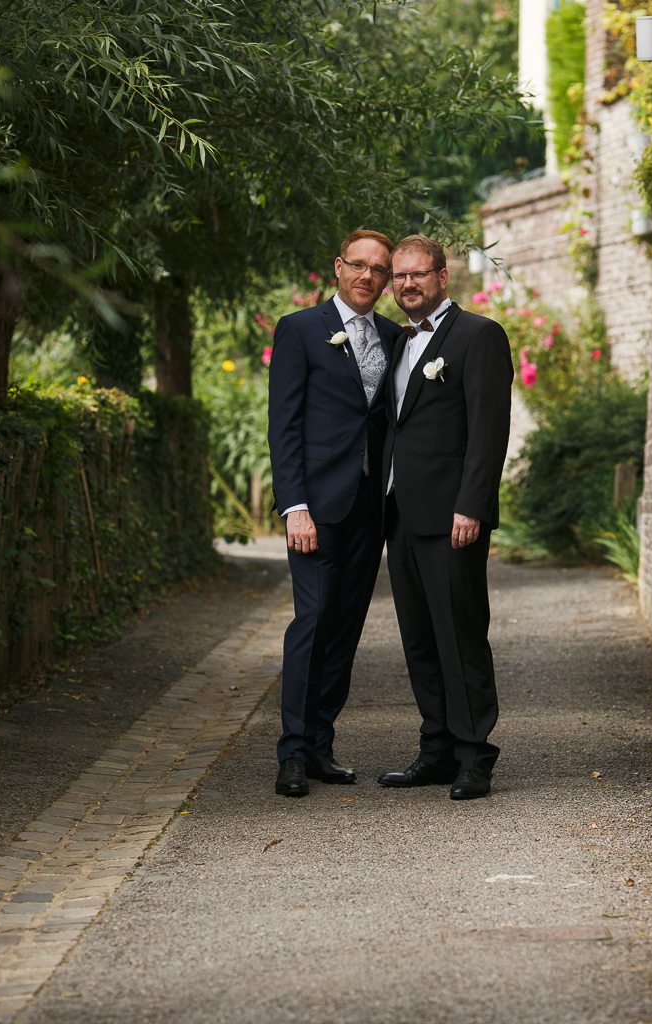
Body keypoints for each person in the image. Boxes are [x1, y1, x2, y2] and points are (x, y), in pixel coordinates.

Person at [268, 229, 403, 796]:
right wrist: (294, 505)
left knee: (345, 629)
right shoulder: (300, 329)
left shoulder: (397, 337)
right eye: (359, 265)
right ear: (339, 268)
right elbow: (285, 425)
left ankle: (321, 746)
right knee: (312, 622)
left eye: (380, 269)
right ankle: (292, 754)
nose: (369, 276)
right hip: (317, 508)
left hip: (371, 509)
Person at [378, 235, 513, 800]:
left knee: (460, 636)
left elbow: (488, 430)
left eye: (418, 275)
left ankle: (474, 755)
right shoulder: (397, 343)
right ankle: (434, 749)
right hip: (400, 515)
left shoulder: (479, 336)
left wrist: (471, 506)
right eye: (399, 277)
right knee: (419, 639)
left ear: (442, 277)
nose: (408, 284)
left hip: (452, 515)